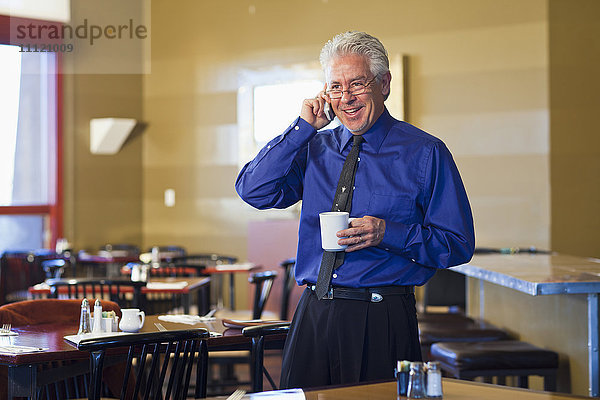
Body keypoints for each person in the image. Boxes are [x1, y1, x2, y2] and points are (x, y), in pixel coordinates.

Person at [235, 31, 475, 389]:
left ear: (384, 84)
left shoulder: (426, 153)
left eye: (357, 84)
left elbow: (457, 243)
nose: (345, 98)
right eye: (335, 87)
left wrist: (387, 233)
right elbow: (252, 190)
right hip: (314, 313)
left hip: (384, 319)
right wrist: (302, 128)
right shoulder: (314, 147)